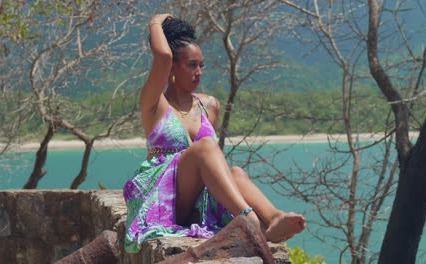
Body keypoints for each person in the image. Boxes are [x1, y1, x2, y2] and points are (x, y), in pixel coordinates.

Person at [123, 14, 306, 253]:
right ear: (171, 69)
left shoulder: (209, 106)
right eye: (191, 65)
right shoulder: (154, 105)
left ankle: (273, 218)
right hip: (162, 197)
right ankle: (247, 219)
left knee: (236, 173)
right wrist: (155, 22)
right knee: (206, 147)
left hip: (197, 197)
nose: (199, 72)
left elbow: (212, 168)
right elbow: (163, 56)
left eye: (201, 65)